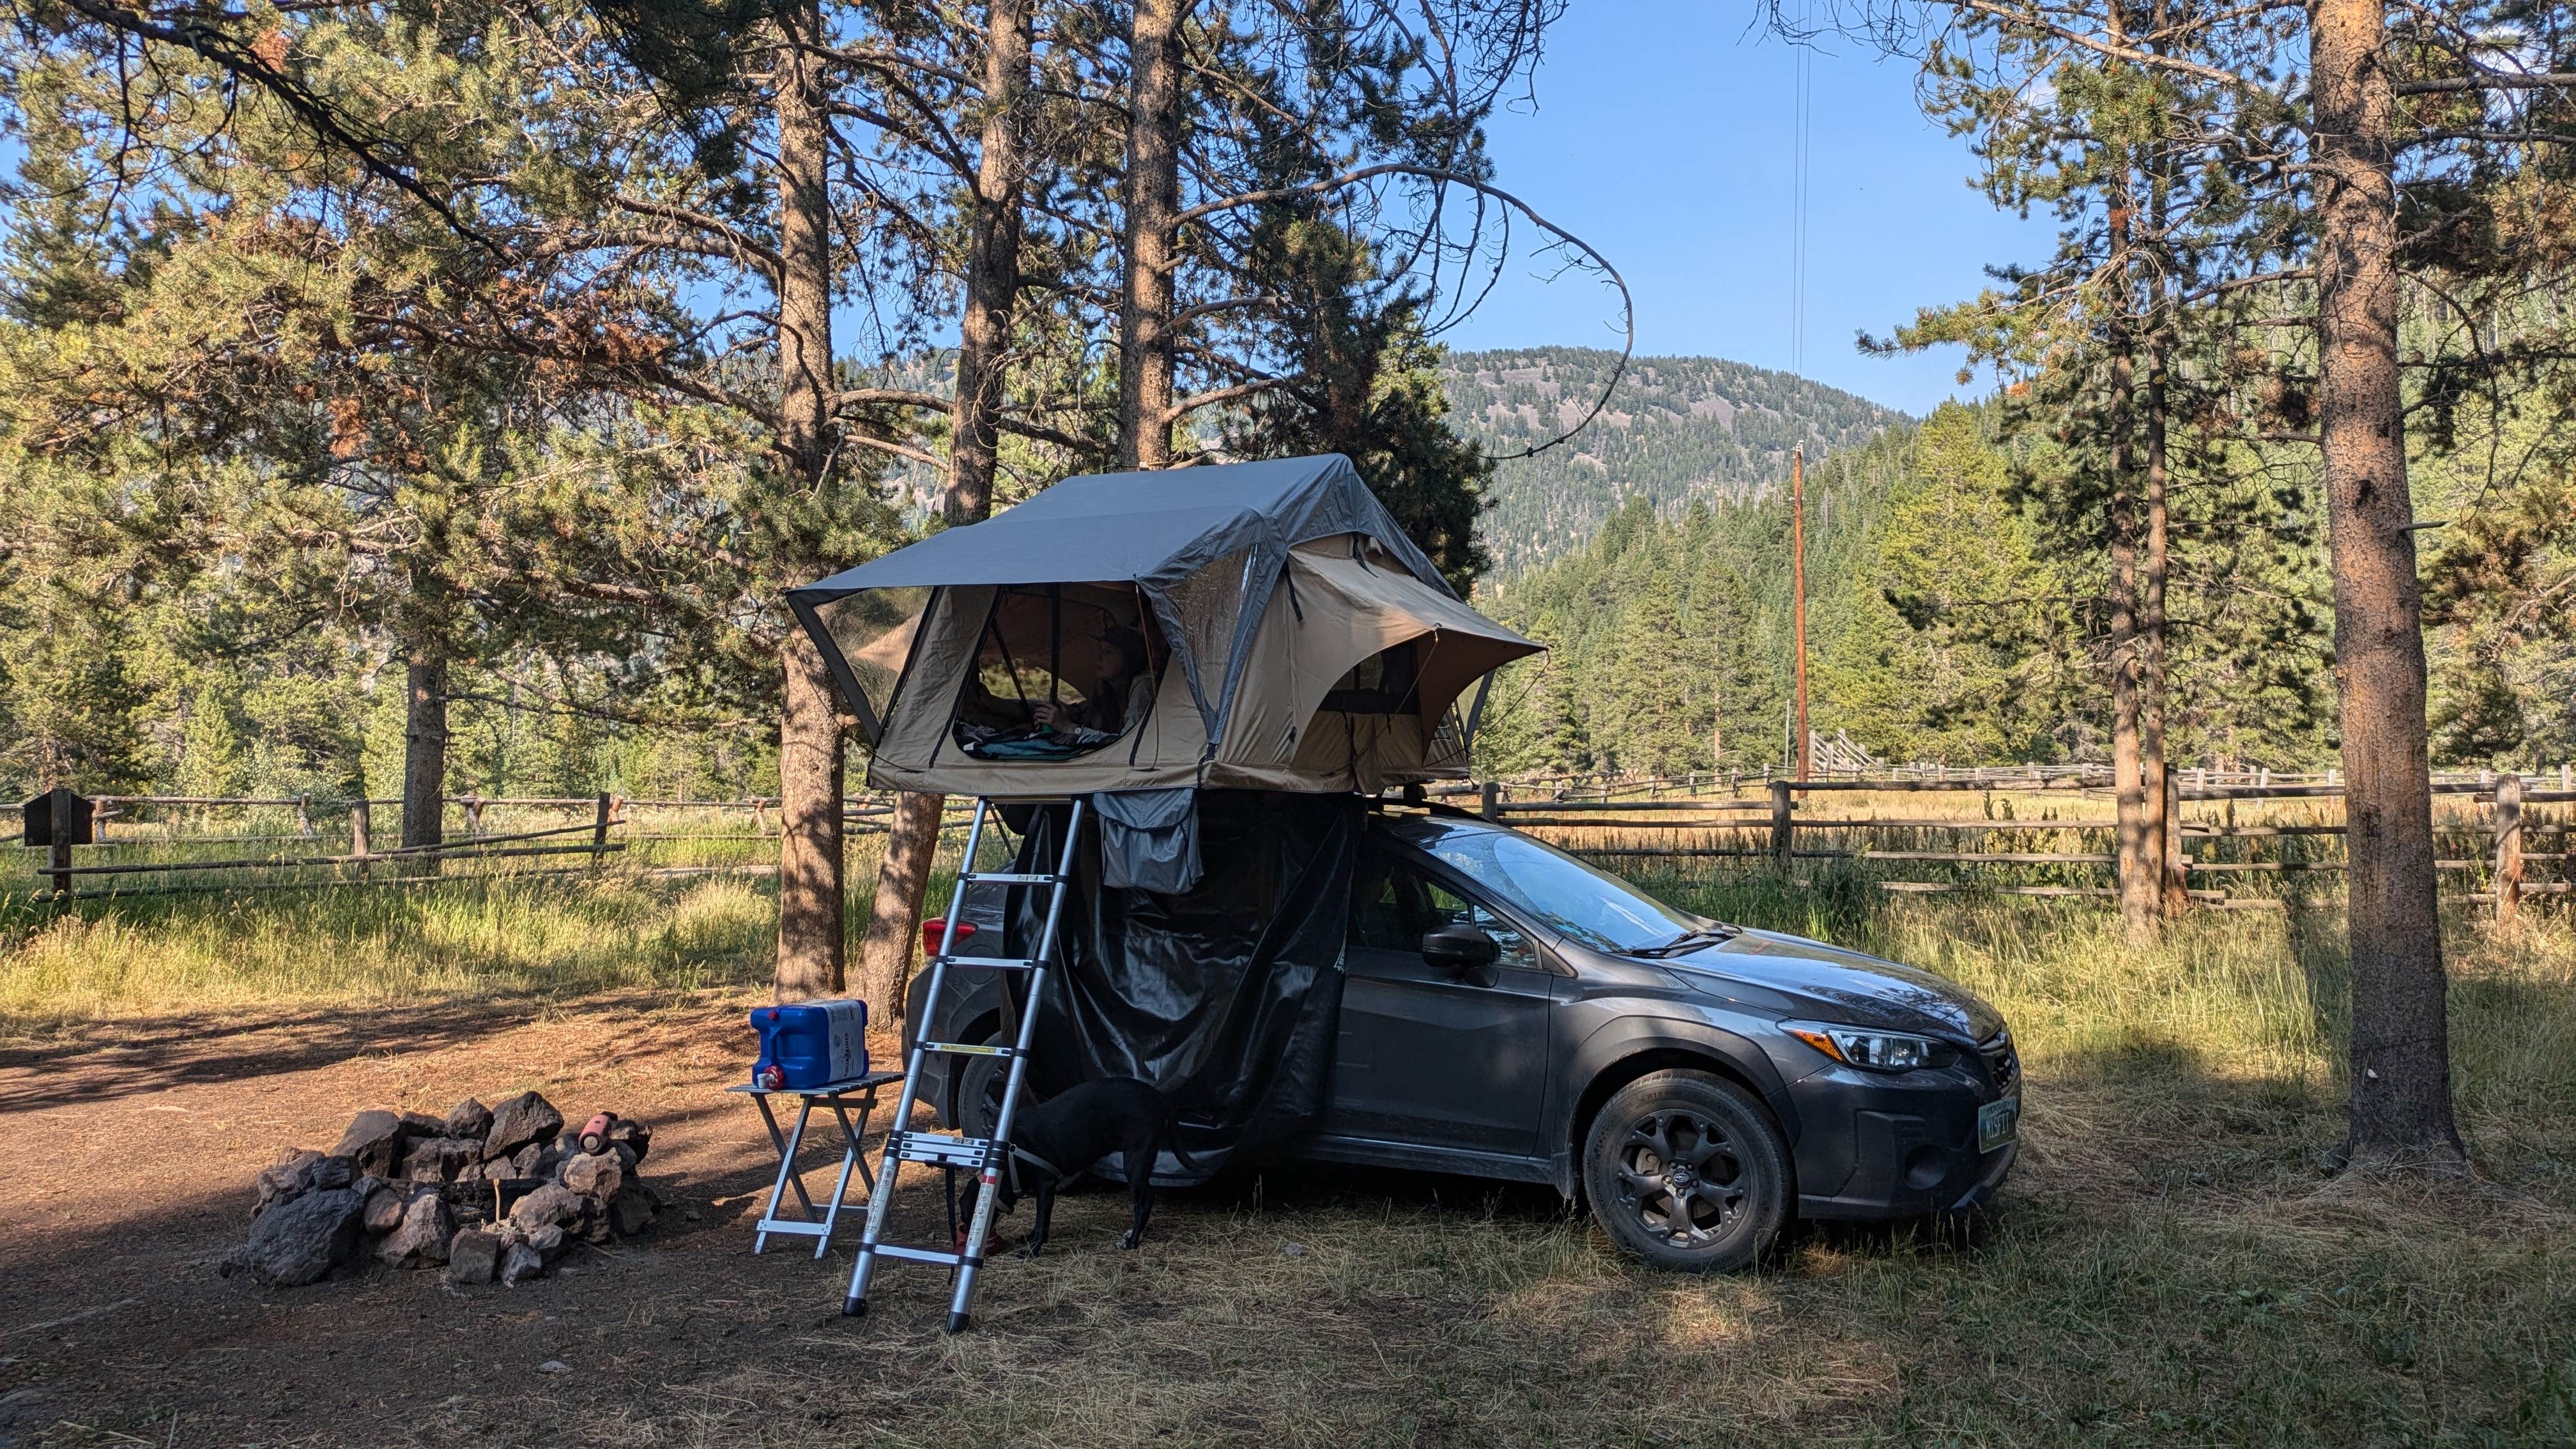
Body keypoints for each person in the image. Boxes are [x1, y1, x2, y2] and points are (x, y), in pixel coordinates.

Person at [1031, 626, 1154, 746]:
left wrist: (1068, 727)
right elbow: (1093, 715)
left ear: (1130, 659)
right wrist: (1071, 713)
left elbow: (1126, 742)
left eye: (1109, 652)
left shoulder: (1144, 685)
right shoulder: (1108, 689)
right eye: (1100, 650)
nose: (1099, 657)